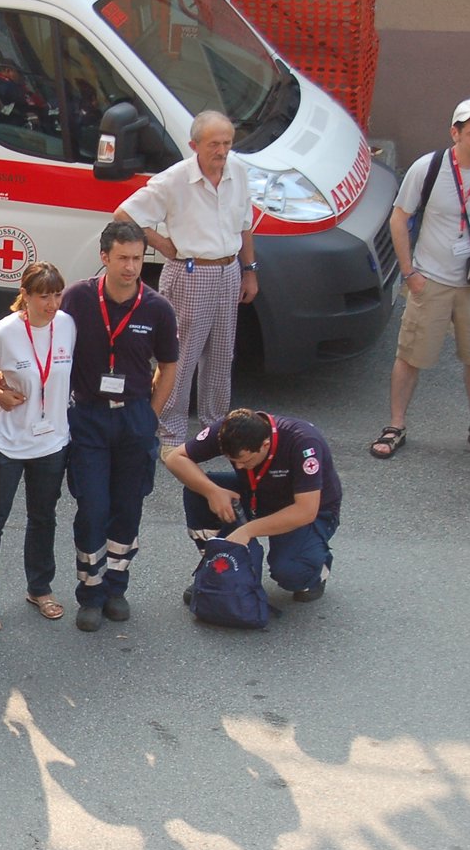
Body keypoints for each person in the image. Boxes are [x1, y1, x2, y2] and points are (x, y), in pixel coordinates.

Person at [369, 97, 470, 461]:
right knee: (410, 355)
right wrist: (409, 272)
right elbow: (399, 217)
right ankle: (396, 425)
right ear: (454, 133)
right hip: (432, 280)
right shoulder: (428, 168)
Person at [113, 110, 256, 453]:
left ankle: (217, 429)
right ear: (195, 145)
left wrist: (249, 269)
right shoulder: (174, 180)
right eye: (214, 144)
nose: (222, 151)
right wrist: (162, 244)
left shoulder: (237, 171)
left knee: (222, 356)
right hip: (192, 271)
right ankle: (170, 434)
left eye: (227, 143)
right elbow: (124, 213)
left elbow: (245, 223)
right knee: (181, 355)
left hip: (228, 269)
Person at [60, 221, 178, 633]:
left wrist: (151, 414)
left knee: (128, 508)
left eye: (137, 258)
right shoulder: (76, 298)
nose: (131, 267)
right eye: (123, 258)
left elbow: (169, 365)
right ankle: (90, 593)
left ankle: (116, 589)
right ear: (104, 257)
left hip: (133, 419)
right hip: (89, 416)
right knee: (92, 507)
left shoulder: (157, 308)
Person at [0, 261, 72, 631]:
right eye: (43, 296)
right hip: (7, 442)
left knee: (44, 518)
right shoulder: (4, 332)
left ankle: (39, 588)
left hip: (51, 440)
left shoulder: (67, 326)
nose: (52, 304)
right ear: (25, 295)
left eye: (57, 294)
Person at [165, 408, 341, 602]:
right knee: (196, 490)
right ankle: (219, 566)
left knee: (291, 573)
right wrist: (212, 492)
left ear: (265, 445)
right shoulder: (229, 430)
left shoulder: (303, 442)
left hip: (306, 509)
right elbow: (175, 458)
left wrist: (248, 531)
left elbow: (305, 511)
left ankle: (318, 567)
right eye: (232, 461)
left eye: (245, 460)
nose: (238, 466)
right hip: (258, 493)